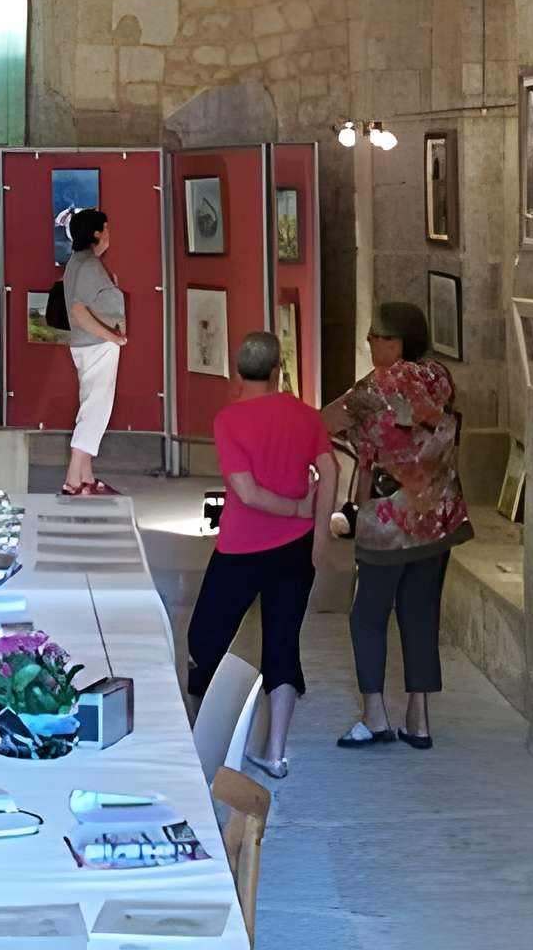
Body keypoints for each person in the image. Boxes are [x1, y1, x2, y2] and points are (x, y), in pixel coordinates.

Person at [319, 298, 471, 750]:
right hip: (438, 518)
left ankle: (375, 717)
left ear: (399, 341)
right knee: (420, 614)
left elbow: (325, 421)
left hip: (389, 523)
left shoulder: (378, 385)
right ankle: (419, 721)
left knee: (367, 615)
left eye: (378, 336)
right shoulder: (440, 378)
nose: (369, 342)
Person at [185, 330, 328, 781]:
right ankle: (276, 753)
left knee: (205, 638)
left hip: (241, 546)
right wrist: (318, 529)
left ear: (237, 371)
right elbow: (331, 469)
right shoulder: (306, 416)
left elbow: (246, 492)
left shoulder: (228, 420)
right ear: (277, 371)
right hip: (296, 546)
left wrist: (293, 509)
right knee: (283, 643)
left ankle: (205, 738)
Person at [62, 208, 126, 496]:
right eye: (106, 228)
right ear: (97, 233)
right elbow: (79, 309)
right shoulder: (89, 266)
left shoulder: (77, 262)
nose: (109, 234)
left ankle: (86, 478)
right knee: (95, 411)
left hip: (85, 344)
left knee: (91, 406)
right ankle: (73, 480)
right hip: (96, 345)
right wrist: (112, 336)